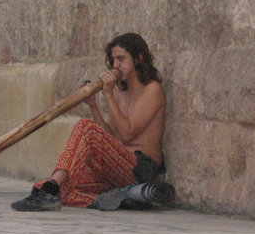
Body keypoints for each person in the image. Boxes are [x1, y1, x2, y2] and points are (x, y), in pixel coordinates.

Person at [11, 33, 166, 211]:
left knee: (85, 126)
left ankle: (52, 187)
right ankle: (115, 199)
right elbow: (111, 138)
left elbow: (127, 134)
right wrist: (93, 106)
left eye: (121, 59)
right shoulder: (119, 92)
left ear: (138, 58)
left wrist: (107, 95)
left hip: (140, 169)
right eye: (113, 60)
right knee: (59, 186)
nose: (116, 65)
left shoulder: (153, 89)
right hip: (116, 168)